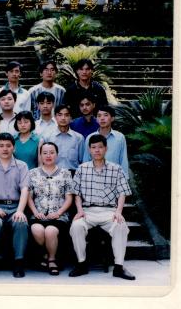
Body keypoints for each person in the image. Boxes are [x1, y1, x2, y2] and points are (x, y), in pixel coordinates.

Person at [69, 134, 135, 280]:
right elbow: (76, 193)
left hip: (109, 211)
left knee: (120, 226)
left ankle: (119, 267)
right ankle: (81, 264)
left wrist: (119, 212)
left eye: (100, 147)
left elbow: (122, 193)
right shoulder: (82, 169)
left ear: (106, 149)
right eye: (93, 147)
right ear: (89, 150)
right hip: (88, 211)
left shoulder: (116, 169)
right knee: (76, 226)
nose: (97, 150)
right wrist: (79, 210)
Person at [0, 132, 29, 278]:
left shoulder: (22, 166)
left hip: (15, 206)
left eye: (8, 145)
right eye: (1, 146)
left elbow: (25, 189)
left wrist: (20, 211)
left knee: (21, 223)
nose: (5, 149)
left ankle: (19, 262)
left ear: (14, 147)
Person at [27, 141, 74, 276]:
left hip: (58, 215)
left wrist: (58, 212)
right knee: (37, 229)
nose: (48, 156)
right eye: (45, 153)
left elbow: (69, 198)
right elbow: (29, 197)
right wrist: (35, 212)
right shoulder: (32, 173)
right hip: (38, 215)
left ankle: (52, 259)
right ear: (40, 155)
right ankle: (46, 255)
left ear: (57, 155)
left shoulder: (65, 173)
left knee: (50, 231)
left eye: (52, 153)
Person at [83, 106, 129, 175]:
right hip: (94, 176)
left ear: (112, 118)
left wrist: (125, 177)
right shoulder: (90, 137)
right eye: (99, 116)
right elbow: (86, 160)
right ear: (96, 119)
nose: (102, 118)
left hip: (114, 176)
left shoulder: (120, 137)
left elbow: (123, 159)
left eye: (105, 115)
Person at [44, 105, 84, 173]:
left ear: (71, 118)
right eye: (60, 115)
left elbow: (82, 161)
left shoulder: (79, 138)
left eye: (66, 115)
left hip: (72, 174)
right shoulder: (48, 137)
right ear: (55, 117)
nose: (63, 118)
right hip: (53, 174)